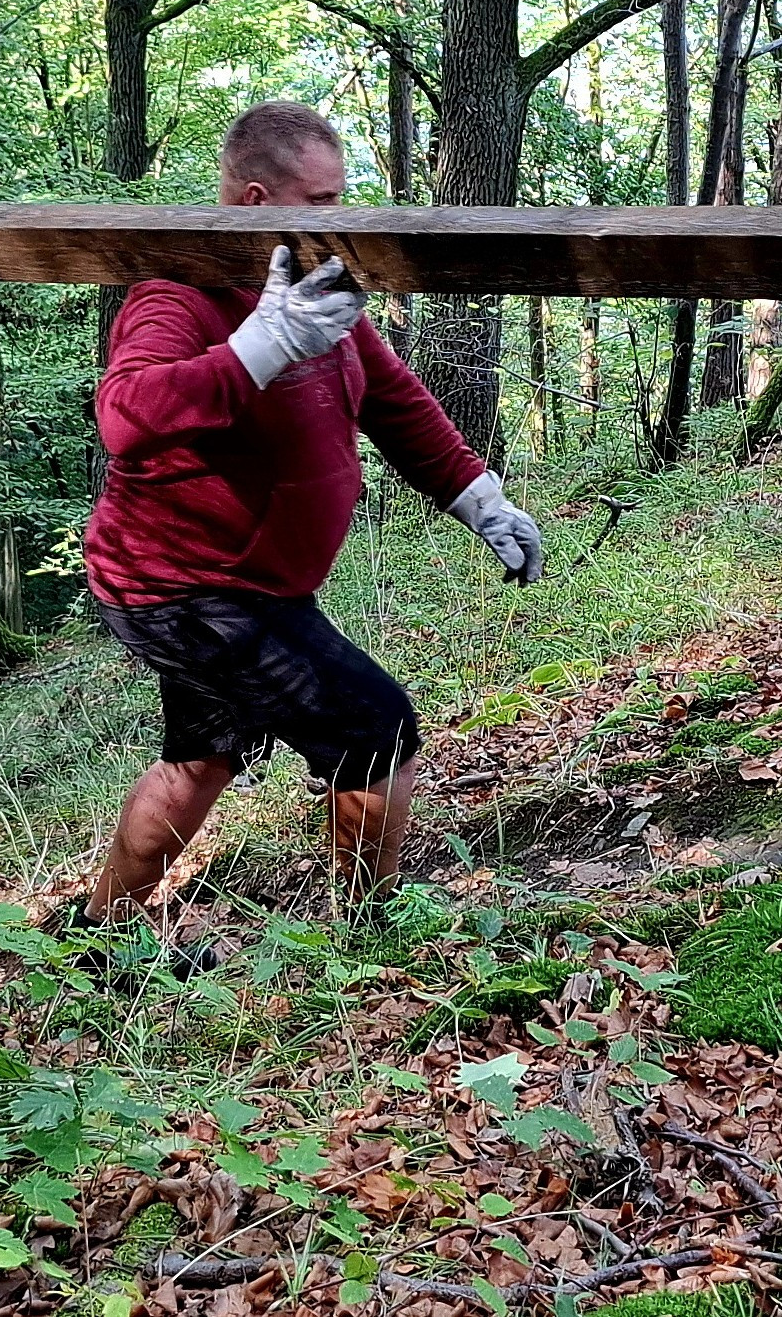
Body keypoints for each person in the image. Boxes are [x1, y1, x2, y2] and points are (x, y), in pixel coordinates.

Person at [81, 101, 542, 928]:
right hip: (185, 589)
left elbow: (392, 399)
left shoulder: (312, 285)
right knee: (375, 732)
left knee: (199, 763)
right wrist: (258, 348)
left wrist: (478, 496)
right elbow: (124, 414)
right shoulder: (174, 295)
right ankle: (365, 937)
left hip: (242, 584)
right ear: (258, 202)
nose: (341, 221)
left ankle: (97, 935)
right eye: (323, 204)